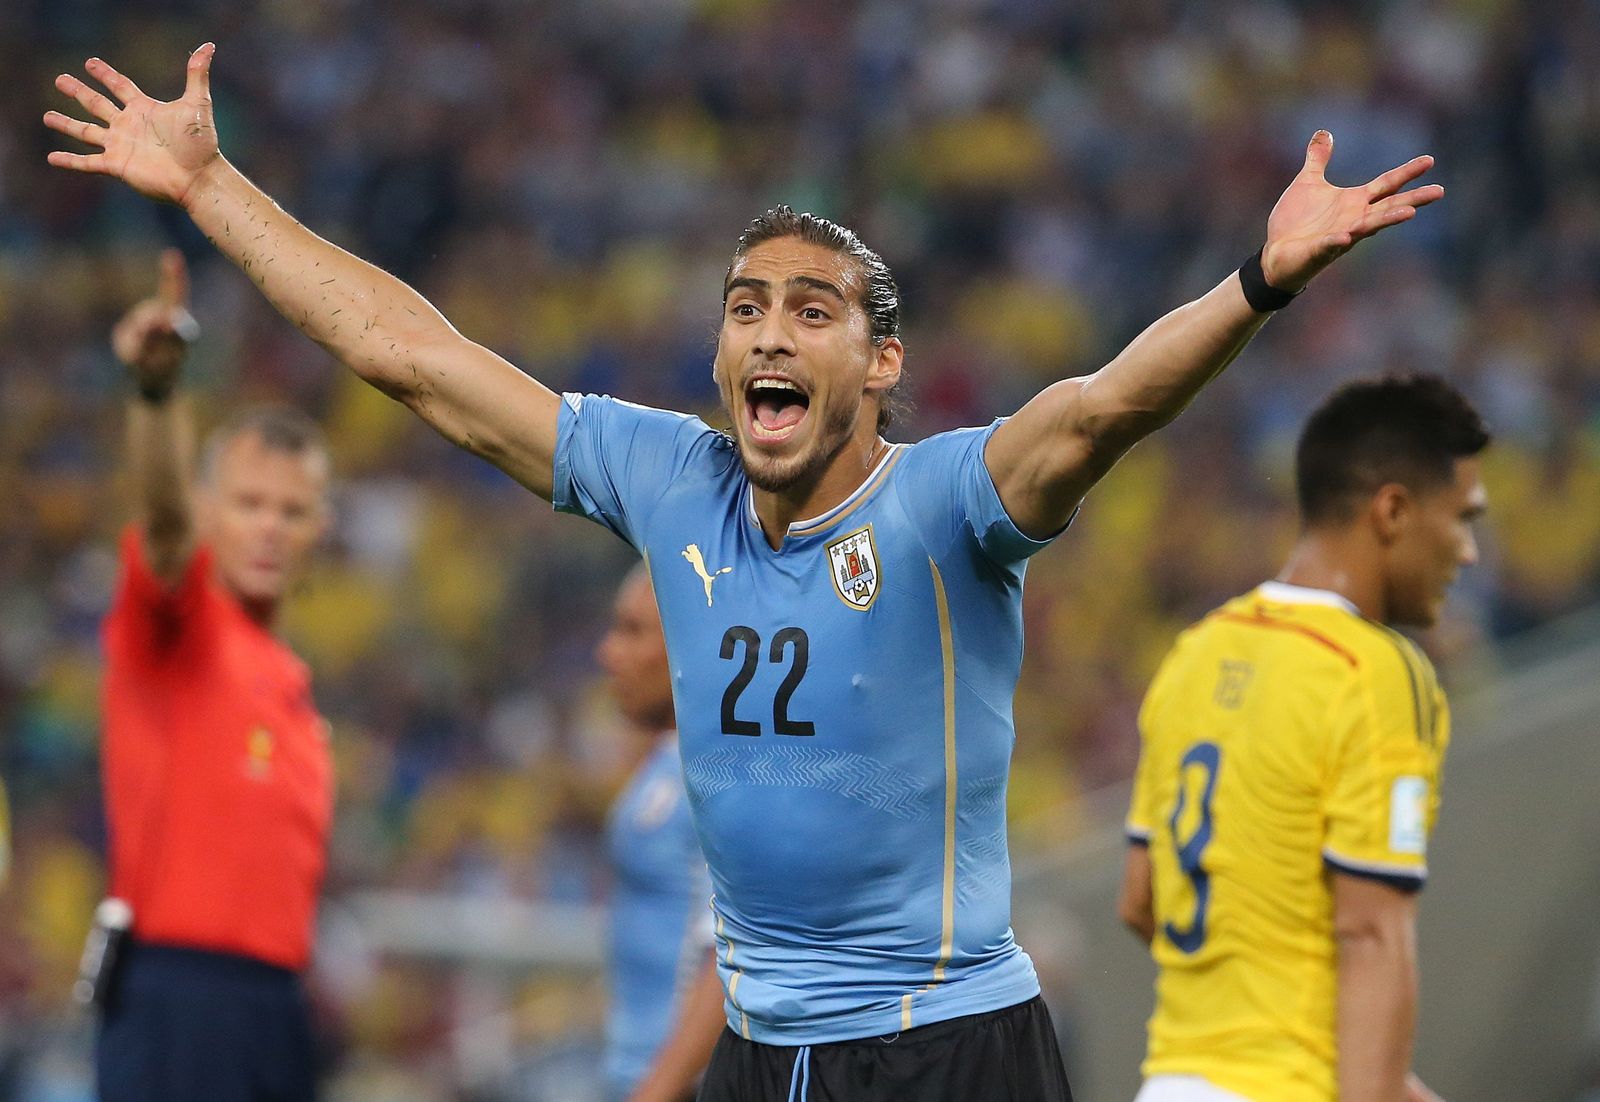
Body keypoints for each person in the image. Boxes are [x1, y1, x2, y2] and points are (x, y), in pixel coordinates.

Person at [45, 46, 1442, 1100]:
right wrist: (213, 191)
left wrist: (1256, 279)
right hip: (757, 1050)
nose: (769, 334)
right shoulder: (671, 478)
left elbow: (1101, 406)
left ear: (880, 364)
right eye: (745, 307)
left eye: (812, 310)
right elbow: (416, 357)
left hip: (941, 1043)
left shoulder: (950, 501)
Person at [1117, 375, 1489, 1102]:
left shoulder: (1196, 650)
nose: (1469, 552)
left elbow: (1141, 897)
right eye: (1462, 518)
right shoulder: (1374, 670)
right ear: (1393, 511)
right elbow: (1371, 933)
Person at [94, 248, 333, 1102]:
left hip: (271, 1005)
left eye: (292, 510)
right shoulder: (179, 624)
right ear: (207, 511)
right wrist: (158, 397)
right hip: (180, 997)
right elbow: (159, 525)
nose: (270, 528)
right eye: (247, 503)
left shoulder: (292, 686)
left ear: (321, 527)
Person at [596, 565, 726, 1102]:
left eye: (632, 631)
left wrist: (657, 1089)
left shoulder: (718, 773)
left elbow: (731, 951)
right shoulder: (666, 759)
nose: (608, 653)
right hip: (635, 1071)